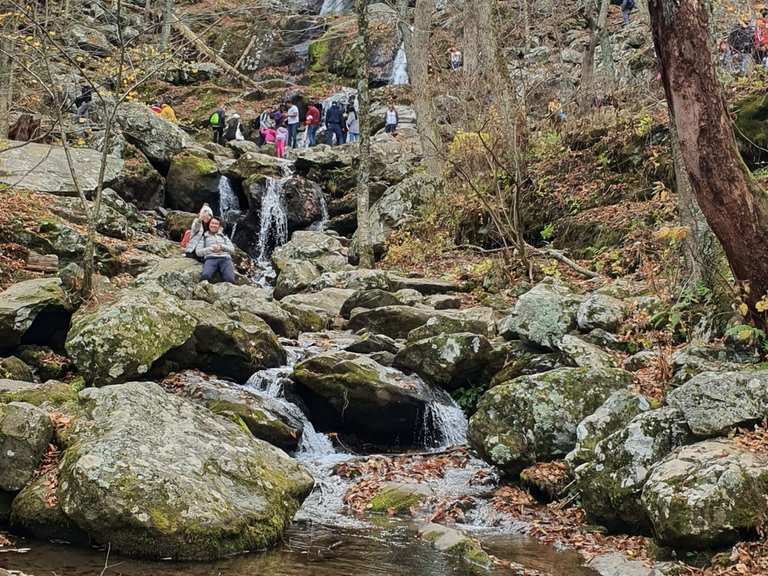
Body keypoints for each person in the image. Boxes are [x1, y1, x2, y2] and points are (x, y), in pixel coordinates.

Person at [196, 218, 236, 283]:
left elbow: (232, 250)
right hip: (210, 258)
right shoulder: (204, 237)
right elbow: (198, 252)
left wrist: (222, 247)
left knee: (230, 279)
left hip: (225, 259)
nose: (214, 225)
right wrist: (211, 249)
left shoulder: (224, 236)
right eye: (212, 223)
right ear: (209, 224)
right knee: (205, 277)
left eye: (216, 224)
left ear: (219, 226)